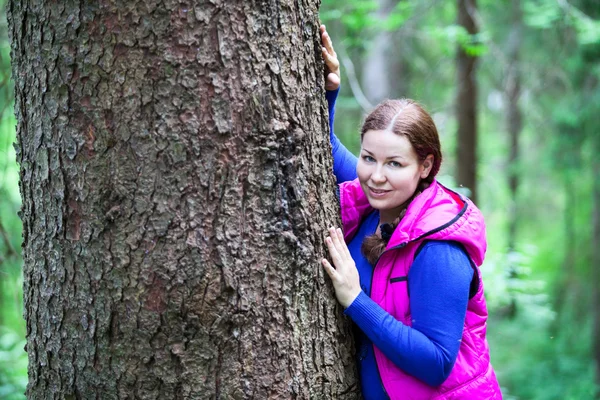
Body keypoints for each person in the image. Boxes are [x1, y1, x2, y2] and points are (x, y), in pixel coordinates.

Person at [319, 25, 502, 400]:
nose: (376, 176)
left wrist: (355, 299)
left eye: (395, 163)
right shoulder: (377, 196)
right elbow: (320, 146)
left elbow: (436, 362)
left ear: (425, 166)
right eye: (369, 158)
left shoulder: (440, 248)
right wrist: (326, 91)